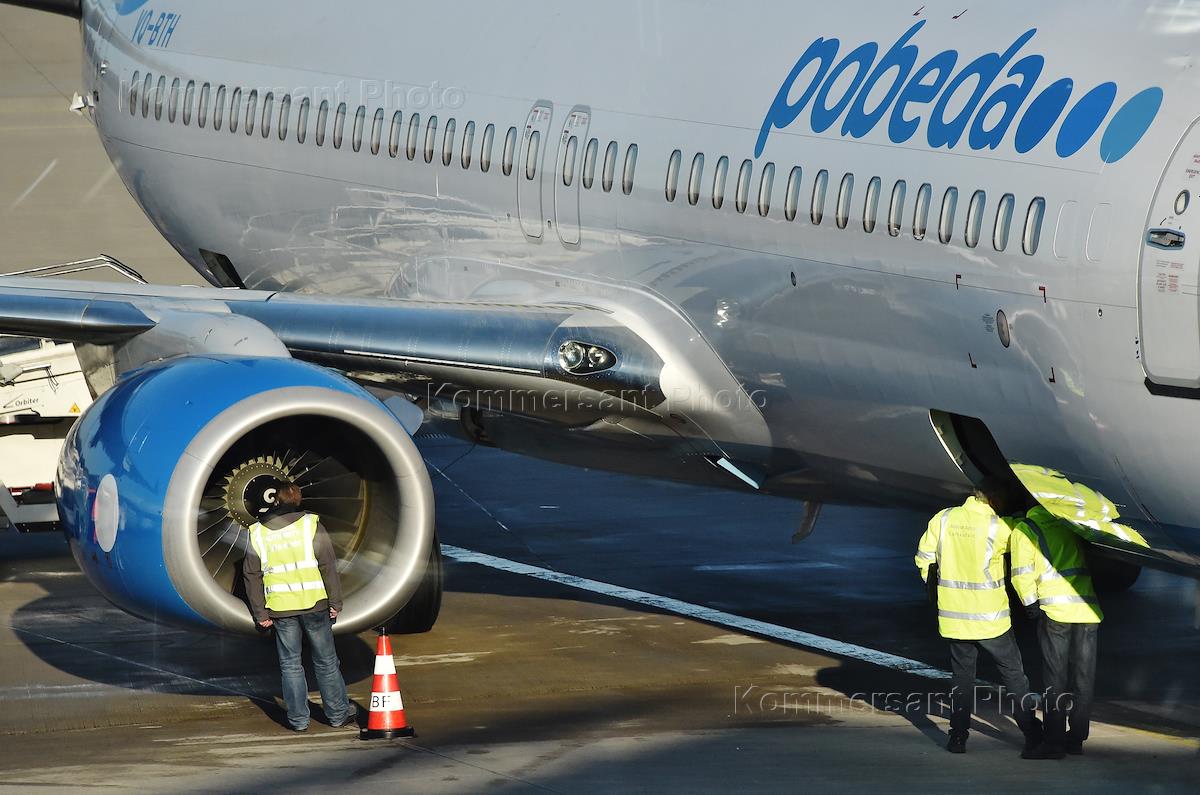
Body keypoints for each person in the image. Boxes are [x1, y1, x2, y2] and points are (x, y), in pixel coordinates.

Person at [916, 481, 1040, 754]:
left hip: (954, 618)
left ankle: (957, 737)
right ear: (995, 501)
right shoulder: (999, 527)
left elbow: (924, 559)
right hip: (990, 619)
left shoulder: (943, 519)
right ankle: (1032, 733)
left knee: (962, 679)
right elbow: (1026, 536)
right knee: (1013, 675)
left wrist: (939, 592)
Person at [243, 480, 354, 732]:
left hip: (281, 609)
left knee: (290, 665)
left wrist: (260, 613)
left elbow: (251, 575)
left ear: (276, 500)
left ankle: (298, 720)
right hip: (314, 604)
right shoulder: (310, 524)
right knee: (326, 662)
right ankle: (337, 715)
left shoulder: (257, 532)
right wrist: (335, 602)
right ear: (298, 500)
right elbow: (328, 566)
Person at [1010, 503, 1103, 759]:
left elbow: (1021, 575)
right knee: (1083, 679)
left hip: (1056, 611)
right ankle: (1076, 740)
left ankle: (1053, 742)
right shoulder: (1066, 523)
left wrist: (1031, 607)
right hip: (1087, 610)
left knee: (1055, 679)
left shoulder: (1025, 529)